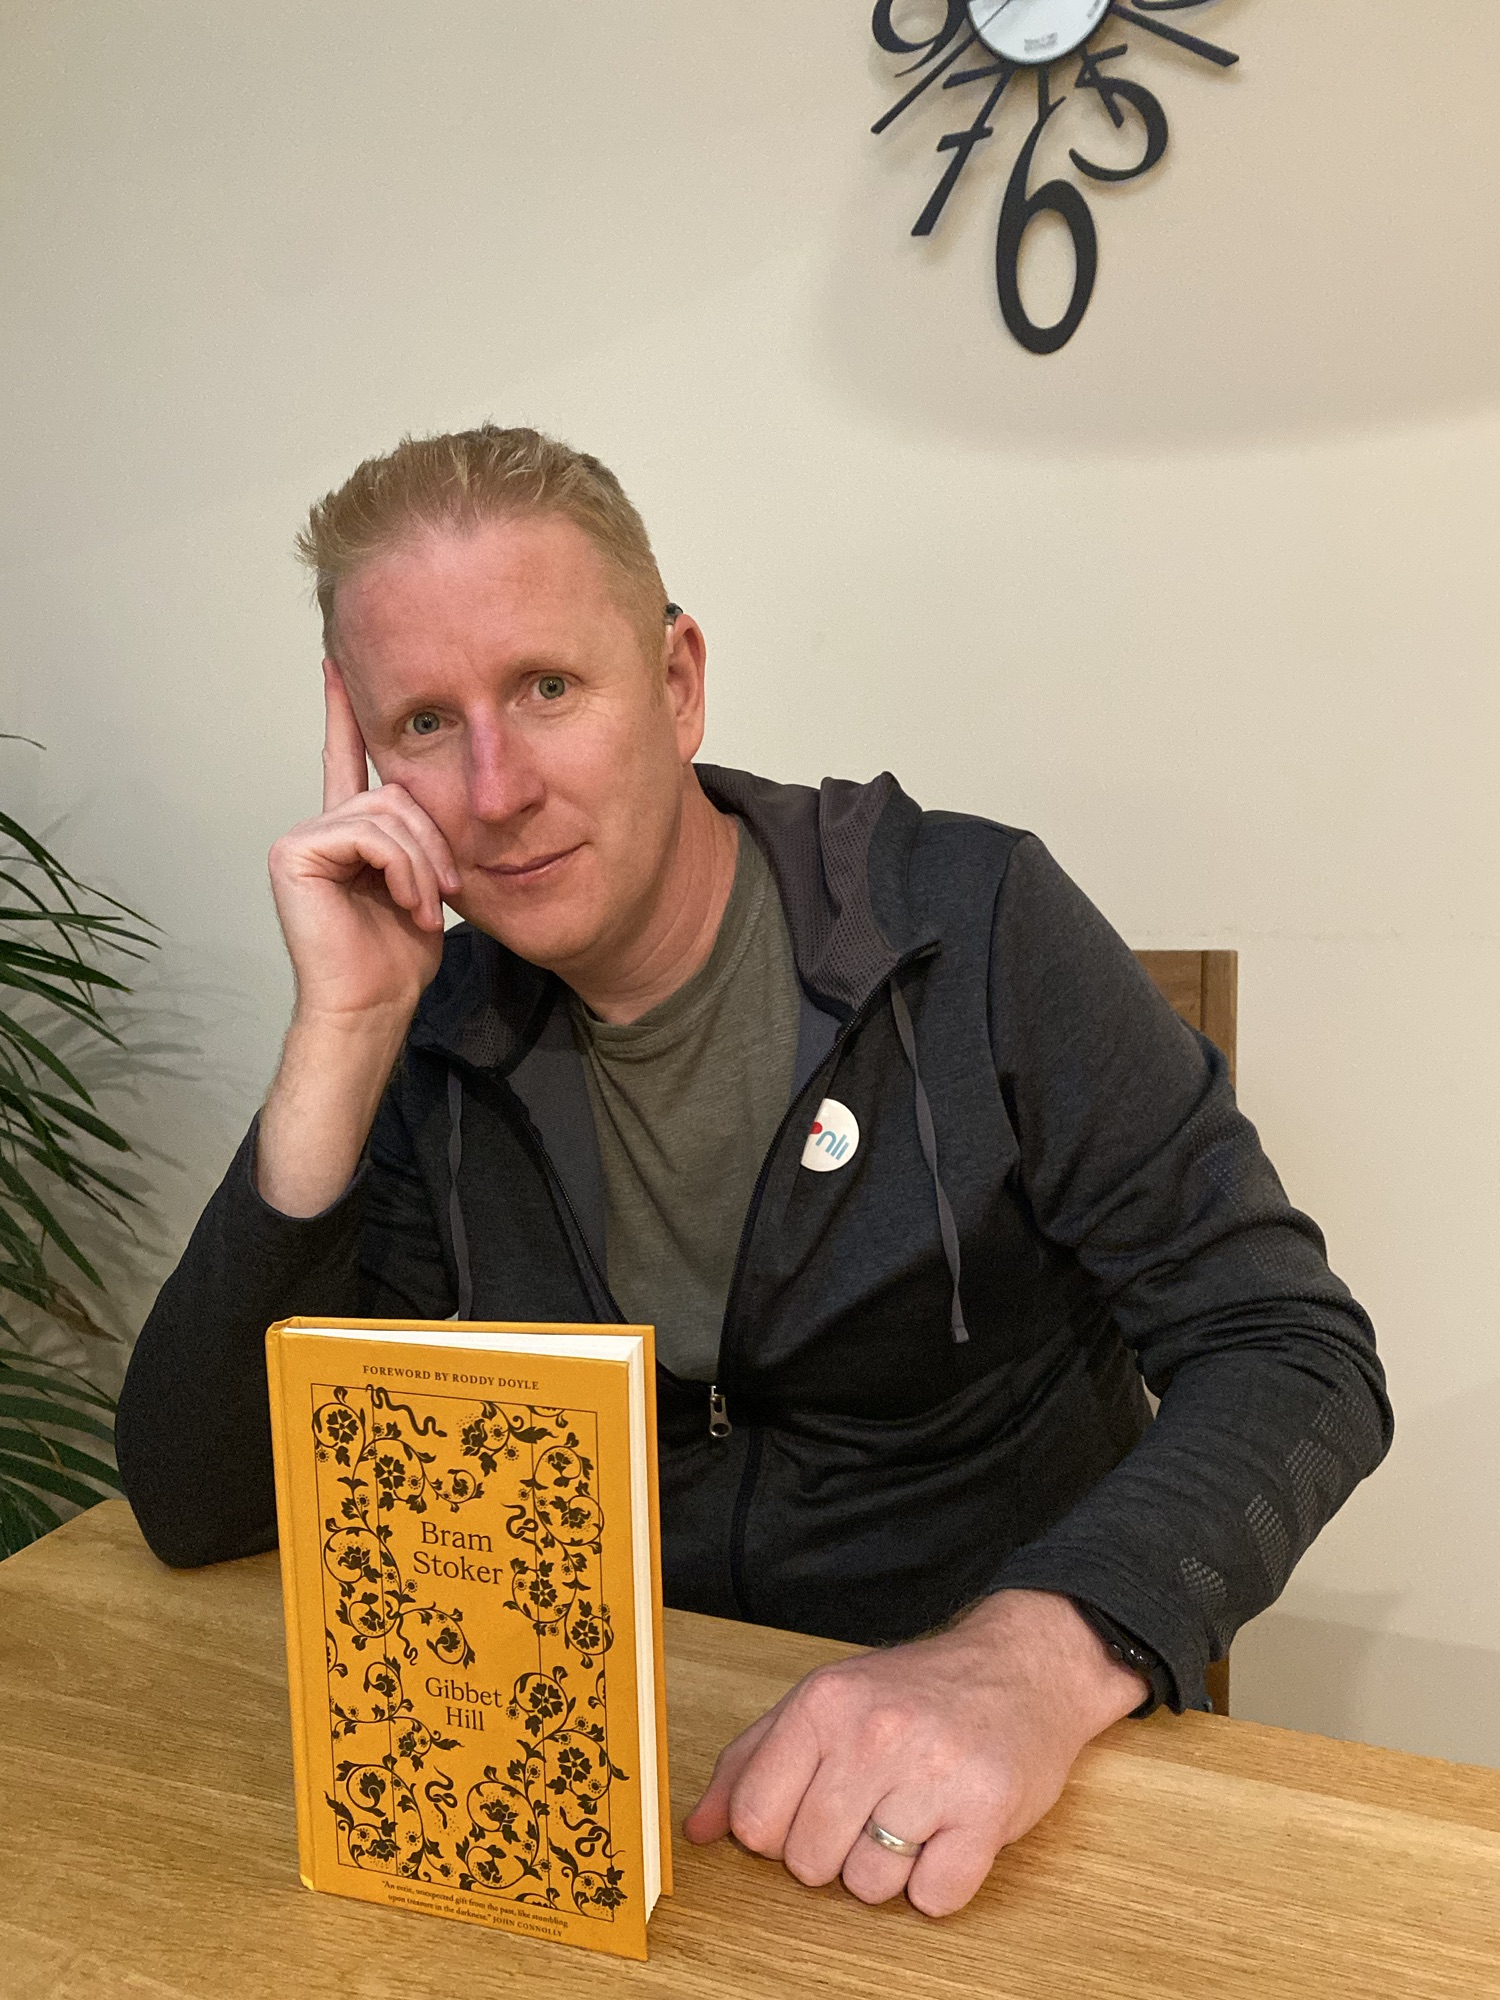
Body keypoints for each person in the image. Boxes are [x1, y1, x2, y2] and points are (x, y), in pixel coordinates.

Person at [116, 424, 1391, 1919]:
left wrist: (1028, 1660)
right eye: (420, 724)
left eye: (546, 688)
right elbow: (200, 1503)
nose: (497, 785)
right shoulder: (433, 1033)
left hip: (991, 1783)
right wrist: (344, 1032)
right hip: (636, 1798)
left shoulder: (969, 926)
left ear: (676, 681)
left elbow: (1296, 1355)